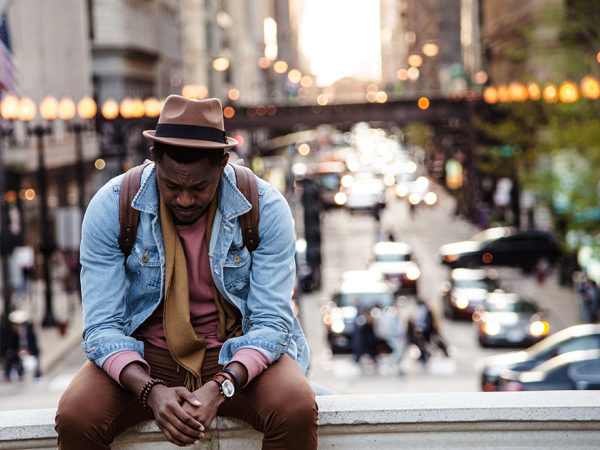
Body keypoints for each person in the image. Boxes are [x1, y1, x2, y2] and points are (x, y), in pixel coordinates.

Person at [55, 95, 318, 449]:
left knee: (295, 407)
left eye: (199, 188)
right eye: (172, 186)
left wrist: (222, 385)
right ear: (155, 159)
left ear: (222, 164)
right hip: (145, 355)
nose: (184, 199)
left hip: (236, 351)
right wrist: (149, 391)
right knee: (77, 416)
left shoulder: (265, 207)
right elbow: (101, 327)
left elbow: (271, 323)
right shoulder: (112, 206)